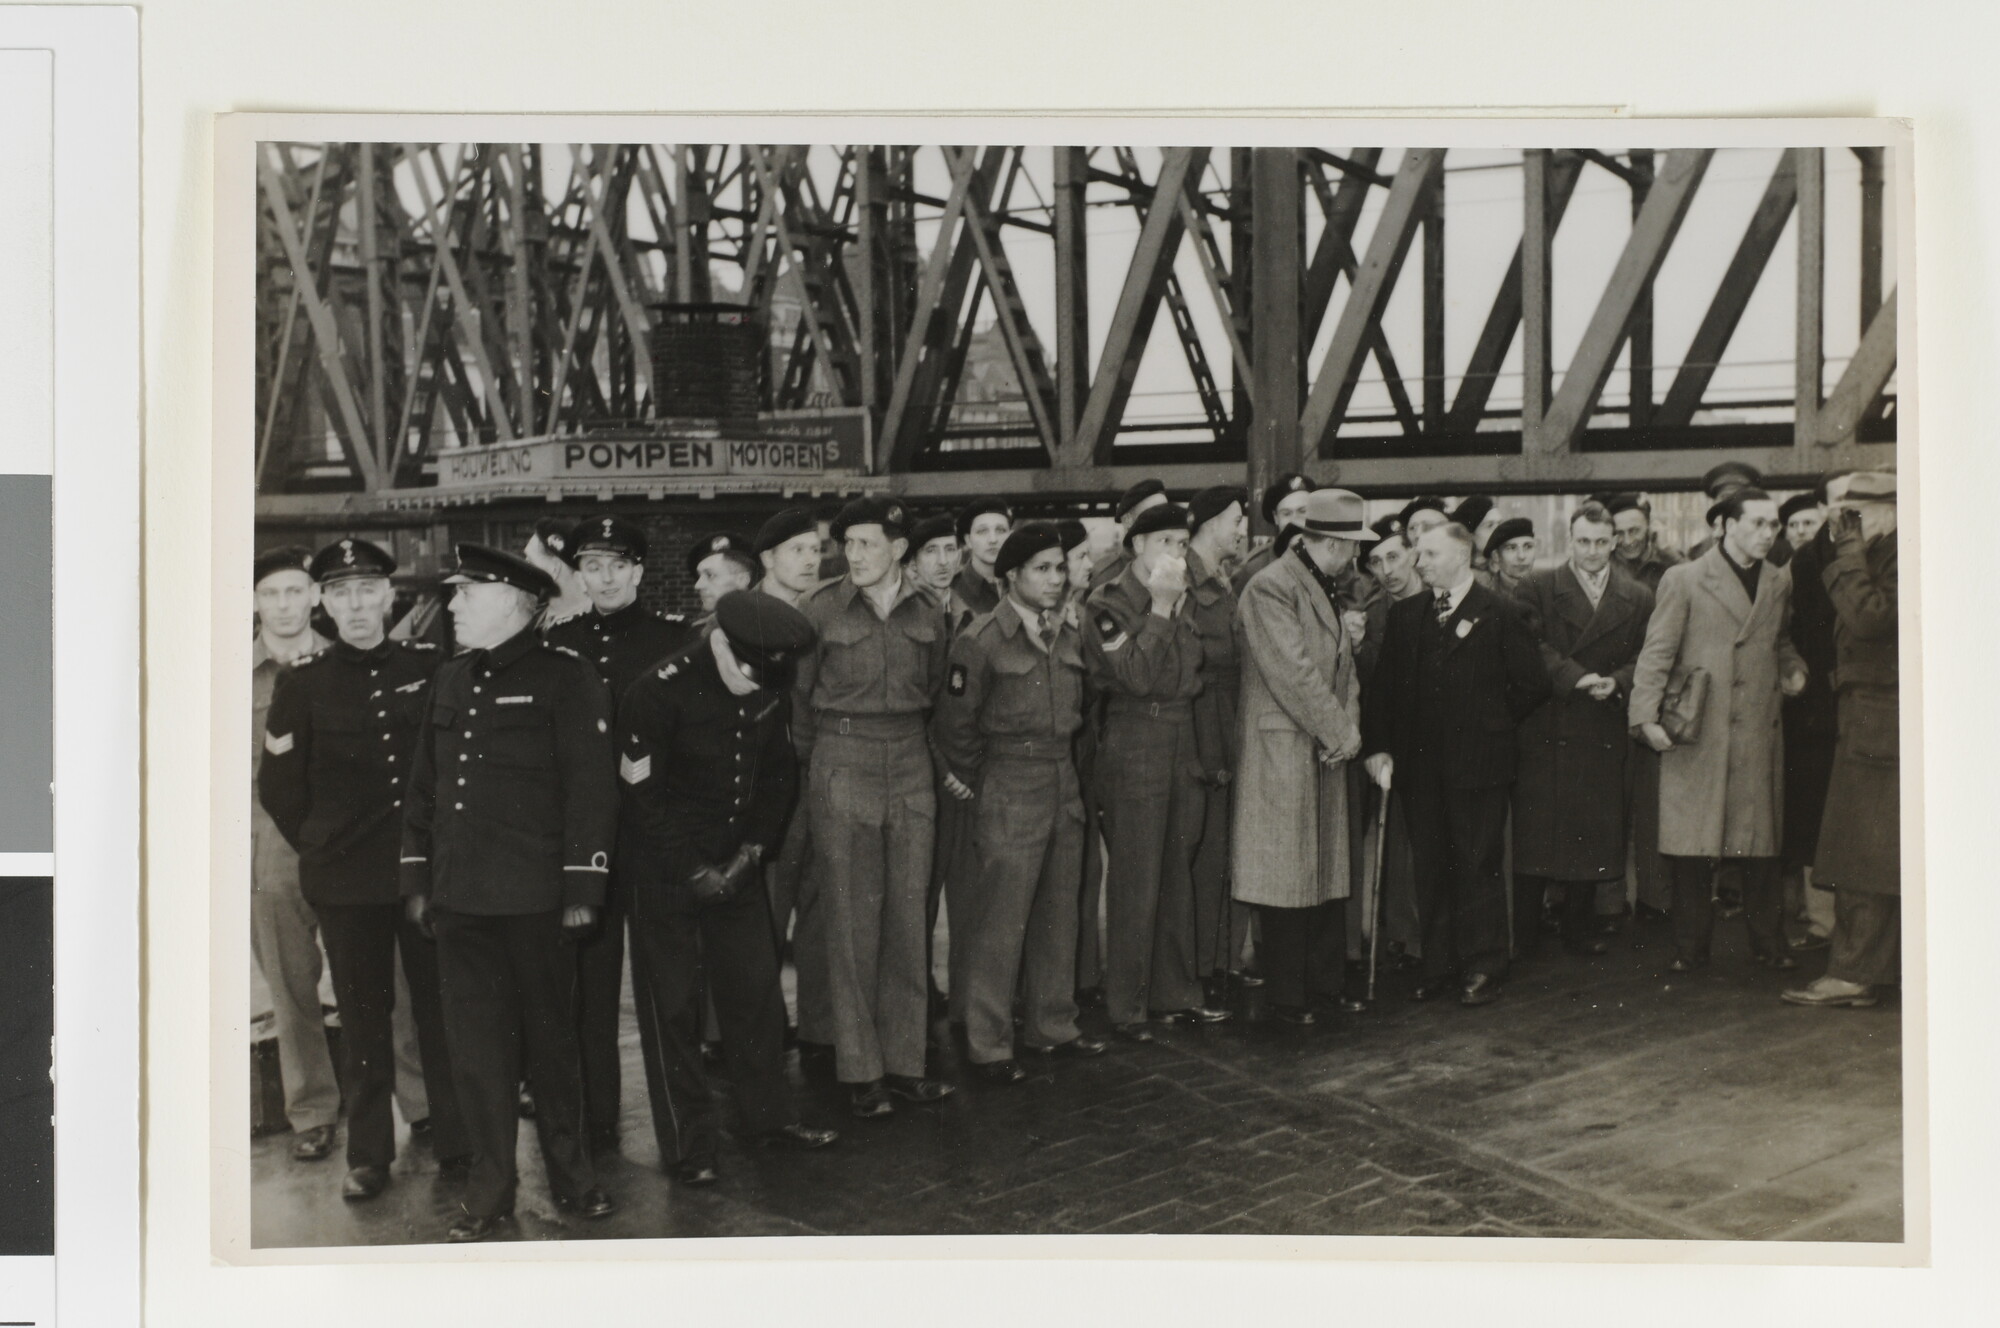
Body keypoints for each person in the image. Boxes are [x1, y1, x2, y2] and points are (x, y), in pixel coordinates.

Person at [399, 544, 618, 1242]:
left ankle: (574, 1178)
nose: (454, 606)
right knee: (478, 1056)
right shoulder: (452, 678)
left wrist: (585, 884)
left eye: (466, 594)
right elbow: (424, 791)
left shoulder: (566, 678)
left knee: (553, 1048)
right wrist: (416, 878)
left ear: (512, 601)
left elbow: (591, 789)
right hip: (462, 901)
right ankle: (489, 1193)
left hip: (537, 902)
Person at [258, 538, 467, 1200]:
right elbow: (280, 788)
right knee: (363, 1018)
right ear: (324, 601)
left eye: (365, 590)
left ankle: (456, 1139)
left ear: (388, 595)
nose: (354, 605)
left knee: (436, 1011)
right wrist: (320, 847)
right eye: (339, 592)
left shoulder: (428, 668)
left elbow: (448, 767)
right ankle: (370, 1155)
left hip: (420, 875)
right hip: (346, 882)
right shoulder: (303, 683)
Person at [616, 591, 840, 1182]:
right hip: (666, 870)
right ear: (723, 645)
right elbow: (641, 795)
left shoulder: (766, 684)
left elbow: (776, 775)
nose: (757, 687)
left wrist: (750, 854)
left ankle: (769, 1119)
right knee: (673, 1013)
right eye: (748, 673)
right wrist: (694, 870)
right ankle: (689, 1147)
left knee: (756, 998)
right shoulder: (658, 690)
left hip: (734, 865)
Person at [792, 497, 957, 1117]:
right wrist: (822, 772)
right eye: (848, 545)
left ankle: (906, 1062)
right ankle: (860, 1069)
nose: (853, 555)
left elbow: (935, 688)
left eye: (865, 544)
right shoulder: (820, 610)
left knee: (908, 916)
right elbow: (800, 703)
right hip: (844, 754)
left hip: (910, 757)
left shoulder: (929, 609)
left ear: (897, 549)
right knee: (853, 919)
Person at [542, 515, 694, 1155]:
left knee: (671, 999)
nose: (604, 578)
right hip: (586, 848)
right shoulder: (558, 643)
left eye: (617, 565)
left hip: (652, 839)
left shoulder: (674, 641)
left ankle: (685, 1141)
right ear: (579, 575)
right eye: (592, 567)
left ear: (638, 571)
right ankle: (595, 1127)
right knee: (587, 997)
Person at [933, 525, 1106, 1080]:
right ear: (1012, 576)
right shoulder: (981, 639)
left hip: (1061, 779)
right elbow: (955, 725)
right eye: (1041, 569)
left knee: (1060, 909)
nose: (1054, 579)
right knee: (999, 921)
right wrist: (982, 781)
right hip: (1008, 780)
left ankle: (1053, 1023)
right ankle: (988, 1041)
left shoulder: (1068, 634)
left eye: (1060, 568)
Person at [1362, 523, 1551, 1006]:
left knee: (1476, 863)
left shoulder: (1502, 613)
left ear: (1462, 557)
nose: (1418, 562)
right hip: (1421, 769)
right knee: (1431, 865)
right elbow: (1383, 690)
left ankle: (1484, 964)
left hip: (1480, 767)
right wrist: (1380, 746)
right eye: (1418, 553)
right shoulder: (1407, 616)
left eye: (1428, 553)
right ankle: (1438, 964)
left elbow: (1532, 684)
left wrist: (1490, 725)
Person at [1629, 489, 1808, 974]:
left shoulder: (1777, 582)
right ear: (1724, 527)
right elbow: (1658, 651)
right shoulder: (1684, 579)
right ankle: (1691, 947)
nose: (1767, 534)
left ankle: (1769, 943)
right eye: (1756, 524)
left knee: (1759, 847)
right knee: (1692, 848)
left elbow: (1781, 640)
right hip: (1699, 729)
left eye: (1773, 525)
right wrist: (1645, 716)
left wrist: (1792, 669)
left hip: (1755, 731)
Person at [1081, 502, 1228, 1039]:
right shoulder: (1106, 603)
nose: (1176, 552)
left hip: (1179, 737)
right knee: (1137, 878)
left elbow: (1192, 674)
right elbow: (1136, 677)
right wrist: (1163, 609)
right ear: (1137, 545)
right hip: (1136, 736)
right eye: (1165, 541)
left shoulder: (1182, 596)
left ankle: (1175, 992)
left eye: (1183, 543)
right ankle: (1128, 1005)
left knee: (1175, 873)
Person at [1233, 489, 1372, 1024]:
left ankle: (1322, 986)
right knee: (1285, 875)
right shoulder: (1269, 588)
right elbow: (1292, 672)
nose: (1355, 556)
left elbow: (1345, 669)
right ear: (1333, 543)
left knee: (1321, 871)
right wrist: (1341, 730)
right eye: (1352, 545)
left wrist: (1348, 728)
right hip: (1286, 748)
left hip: (1321, 745)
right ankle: (1289, 999)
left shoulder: (1322, 584)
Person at [1510, 505, 1656, 961]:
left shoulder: (1638, 596)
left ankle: (1578, 927)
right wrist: (1575, 676)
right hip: (1549, 723)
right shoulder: (1536, 587)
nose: (1592, 551)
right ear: (1569, 541)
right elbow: (1530, 646)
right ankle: (1526, 933)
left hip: (1602, 724)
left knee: (1590, 832)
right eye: (1583, 541)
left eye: (1601, 541)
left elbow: (1650, 654)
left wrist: (1619, 683)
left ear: (1614, 542)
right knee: (1537, 835)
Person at [1785, 473, 1900, 1008]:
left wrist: (1850, 553)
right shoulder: (1887, 552)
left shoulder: (1898, 555)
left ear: (1882, 512)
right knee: (1874, 852)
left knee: (1863, 853)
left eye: (1848, 517)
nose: (1839, 528)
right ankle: (1871, 971)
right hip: (1872, 717)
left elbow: (1870, 619)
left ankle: (1854, 972)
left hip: (1882, 720)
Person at [250, 546, 341, 1163]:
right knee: (292, 988)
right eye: (270, 594)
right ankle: (312, 1113)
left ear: (315, 596)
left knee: (381, 978)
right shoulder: (225, 672)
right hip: (270, 851)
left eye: (294, 591)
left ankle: (419, 1105)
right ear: (256, 602)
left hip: (348, 843)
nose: (283, 604)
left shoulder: (347, 664)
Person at [754, 508, 833, 1057]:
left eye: (815, 550)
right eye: (798, 550)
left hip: (820, 775)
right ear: (768, 560)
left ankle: (820, 1028)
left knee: (821, 906)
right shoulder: (743, 619)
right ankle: (748, 1033)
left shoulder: (825, 615)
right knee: (763, 914)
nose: (811, 560)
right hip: (764, 785)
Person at [1184, 487, 1248, 1004]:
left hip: (1229, 725)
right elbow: (1191, 672)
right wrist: (1209, 753)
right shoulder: (1184, 580)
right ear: (1207, 524)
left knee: (1226, 853)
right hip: (1202, 728)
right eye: (1234, 519)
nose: (1241, 528)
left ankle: (1221, 961)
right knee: (1204, 858)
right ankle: (1200, 969)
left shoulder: (1225, 580)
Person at [1777, 487, 1841, 951]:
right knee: (1807, 815)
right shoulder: (1787, 571)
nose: (1801, 531)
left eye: (1808, 522)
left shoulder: (1826, 564)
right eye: (1793, 524)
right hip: (1804, 711)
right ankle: (1820, 920)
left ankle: (1829, 920)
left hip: (1832, 705)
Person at [1229, 473, 1316, 594]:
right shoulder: (1256, 567)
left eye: (1302, 511)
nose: (1295, 520)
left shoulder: (1333, 557)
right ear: (1276, 518)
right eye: (1286, 513)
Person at [1087, 479, 1169, 592]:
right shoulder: (1107, 576)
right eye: (1153, 514)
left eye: (1166, 514)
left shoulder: (1177, 566)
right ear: (1128, 520)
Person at [950, 498, 1012, 633]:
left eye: (1000, 530)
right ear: (968, 540)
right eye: (982, 531)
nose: (993, 539)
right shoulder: (952, 589)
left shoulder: (1023, 584)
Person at [1603, 494, 1684, 592]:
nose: (1628, 541)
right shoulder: (1605, 566)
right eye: (1619, 533)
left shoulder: (1667, 560)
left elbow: (1695, 584)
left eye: (1634, 531)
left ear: (1649, 528)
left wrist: (1665, 549)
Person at [525, 518, 592, 629]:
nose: (525, 568)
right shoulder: (534, 619)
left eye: (530, 561)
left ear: (555, 569)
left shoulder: (596, 624)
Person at [757, 508, 826, 607]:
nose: (810, 562)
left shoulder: (828, 608)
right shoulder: (742, 611)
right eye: (798, 550)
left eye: (815, 550)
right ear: (768, 558)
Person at [689, 531, 760, 616]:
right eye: (699, 576)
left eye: (710, 575)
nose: (698, 585)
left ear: (742, 580)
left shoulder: (763, 626)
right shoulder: (701, 628)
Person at [904, 514, 960, 608]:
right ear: (913, 562)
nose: (943, 561)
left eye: (950, 549)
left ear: (959, 557)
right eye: (931, 551)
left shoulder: (969, 613)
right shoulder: (901, 614)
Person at [1485, 517, 1537, 600]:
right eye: (1512, 548)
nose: (1521, 556)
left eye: (1528, 547)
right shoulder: (1485, 595)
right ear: (1496, 556)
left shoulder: (1546, 592)